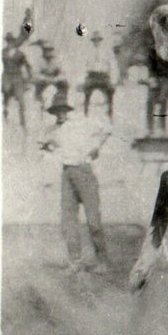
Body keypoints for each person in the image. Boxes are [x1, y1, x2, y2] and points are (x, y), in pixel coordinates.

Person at [38, 91, 113, 274]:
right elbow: (41, 142)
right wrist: (49, 147)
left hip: (84, 172)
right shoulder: (53, 130)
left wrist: (96, 148)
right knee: (68, 221)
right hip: (67, 174)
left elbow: (107, 130)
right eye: (56, 111)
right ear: (53, 113)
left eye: (63, 110)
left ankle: (102, 261)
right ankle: (75, 262)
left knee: (93, 220)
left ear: (68, 110)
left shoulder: (82, 124)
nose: (60, 114)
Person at [83, 31, 117, 119]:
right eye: (94, 40)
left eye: (98, 40)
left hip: (103, 76)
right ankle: (85, 114)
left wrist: (113, 80)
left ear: (101, 40)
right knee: (86, 92)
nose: (96, 41)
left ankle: (110, 115)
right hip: (92, 76)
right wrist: (83, 78)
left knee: (110, 91)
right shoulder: (87, 51)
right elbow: (83, 66)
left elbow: (113, 65)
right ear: (92, 41)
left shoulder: (107, 51)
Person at [2, 32, 34, 128]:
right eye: (8, 41)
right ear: (6, 42)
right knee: (5, 95)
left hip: (17, 78)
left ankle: (23, 123)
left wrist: (29, 76)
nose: (10, 43)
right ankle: (5, 116)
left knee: (21, 100)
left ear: (14, 42)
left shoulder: (20, 54)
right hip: (6, 76)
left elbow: (27, 65)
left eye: (11, 41)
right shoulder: (3, 52)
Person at [32, 42, 69, 110]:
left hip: (55, 79)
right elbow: (35, 74)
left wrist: (55, 79)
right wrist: (45, 78)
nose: (47, 52)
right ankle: (40, 103)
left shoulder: (57, 60)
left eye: (49, 50)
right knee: (37, 86)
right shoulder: (39, 61)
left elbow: (63, 73)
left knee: (65, 84)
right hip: (44, 80)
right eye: (46, 50)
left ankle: (63, 103)